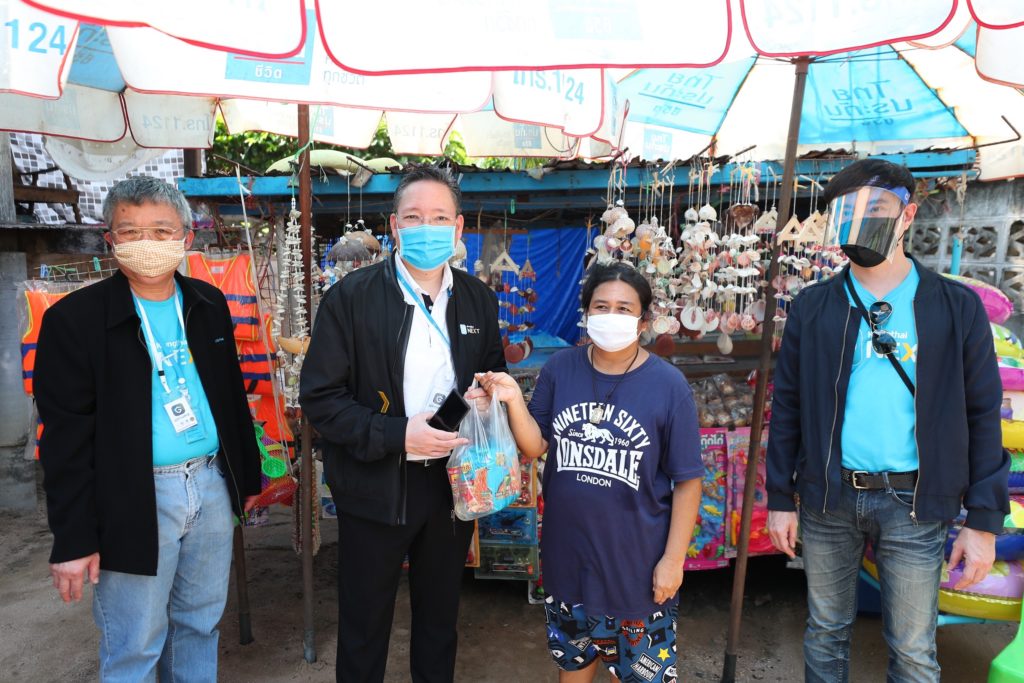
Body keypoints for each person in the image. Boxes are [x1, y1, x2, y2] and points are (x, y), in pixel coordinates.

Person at [765, 158, 1010, 682]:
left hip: (915, 503)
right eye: (845, 211)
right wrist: (780, 498)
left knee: (914, 650)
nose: (859, 221)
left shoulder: (955, 307)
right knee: (825, 633)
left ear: (908, 215)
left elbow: (983, 414)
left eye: (875, 208)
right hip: (828, 497)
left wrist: (983, 522)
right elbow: (787, 407)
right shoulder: (813, 307)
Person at [35, 176, 262, 681]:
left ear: (186, 236)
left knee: (199, 625)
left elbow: (230, 396)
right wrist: (73, 539)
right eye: (131, 231)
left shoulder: (207, 304)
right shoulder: (75, 320)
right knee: (135, 642)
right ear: (110, 240)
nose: (147, 243)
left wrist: (245, 477)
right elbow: (65, 440)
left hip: (209, 482)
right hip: (134, 496)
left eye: (161, 231)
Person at [299, 165, 505, 683]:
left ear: (458, 228)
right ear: (394, 226)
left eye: (439, 217)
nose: (426, 227)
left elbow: (489, 374)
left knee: (439, 622)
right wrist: (397, 434)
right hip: (374, 486)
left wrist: (480, 404)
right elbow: (321, 399)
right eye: (413, 217)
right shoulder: (351, 298)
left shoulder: (477, 299)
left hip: (451, 486)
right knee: (364, 625)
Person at [470, 261, 704, 683]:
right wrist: (513, 400)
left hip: (636, 569)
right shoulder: (561, 369)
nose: (611, 316)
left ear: (643, 321)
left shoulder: (669, 387)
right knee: (572, 670)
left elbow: (688, 480)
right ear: (586, 312)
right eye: (601, 306)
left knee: (634, 676)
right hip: (568, 562)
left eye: (624, 308)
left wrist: (673, 561)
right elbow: (535, 445)